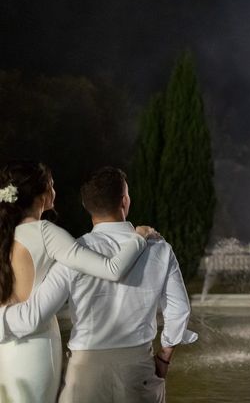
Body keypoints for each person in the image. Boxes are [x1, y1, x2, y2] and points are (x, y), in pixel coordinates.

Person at [0, 166, 197, 403]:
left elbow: (35, 311)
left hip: (85, 373)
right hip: (138, 368)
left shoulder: (72, 253)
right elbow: (179, 310)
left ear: (86, 205)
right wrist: (164, 358)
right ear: (125, 200)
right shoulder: (160, 249)